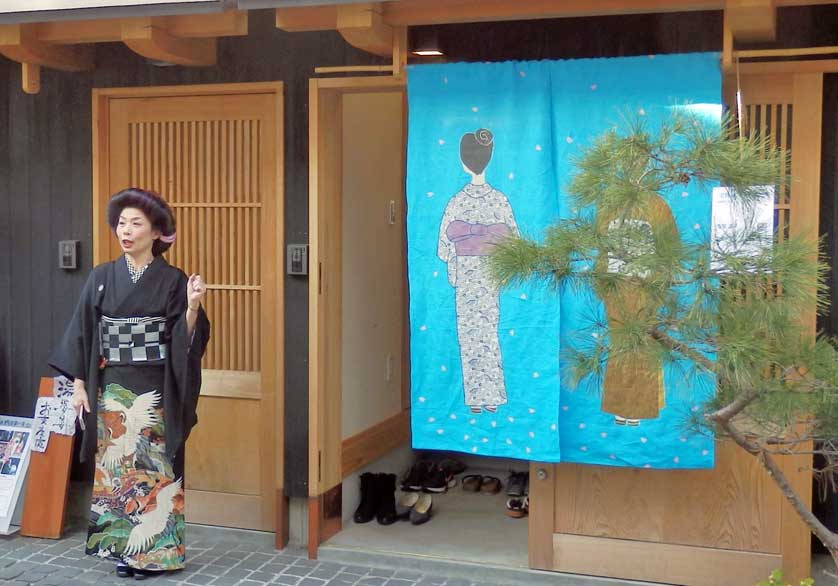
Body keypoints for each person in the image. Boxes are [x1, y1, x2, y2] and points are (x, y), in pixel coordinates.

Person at [50, 188, 210, 580]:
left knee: (156, 473)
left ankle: (158, 556)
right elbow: (84, 334)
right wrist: (80, 386)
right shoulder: (102, 277)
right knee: (117, 471)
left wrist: (191, 307)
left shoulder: (173, 281)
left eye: (136, 223)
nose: (126, 230)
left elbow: (184, 340)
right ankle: (124, 551)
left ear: (157, 232)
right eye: (122, 223)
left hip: (157, 388)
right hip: (114, 387)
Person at [437, 129, 519, 414]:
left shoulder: (456, 202)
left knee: (470, 334)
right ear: (490, 158)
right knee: (488, 332)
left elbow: (444, 245)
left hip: (468, 270)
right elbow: (514, 241)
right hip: (490, 271)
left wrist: (454, 263)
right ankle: (492, 397)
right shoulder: (500, 200)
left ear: (463, 163)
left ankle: (475, 399)